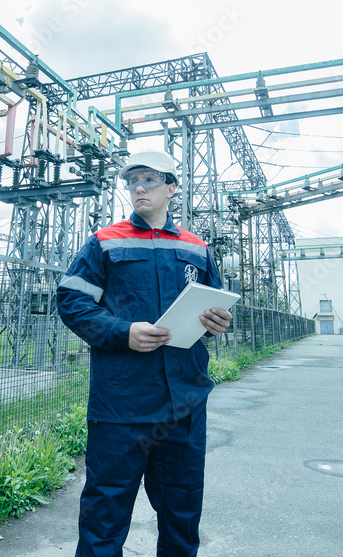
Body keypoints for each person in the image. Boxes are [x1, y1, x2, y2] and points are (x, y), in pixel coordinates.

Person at [56, 149, 233, 557]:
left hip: (183, 403)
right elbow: (71, 301)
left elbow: (217, 305)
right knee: (105, 511)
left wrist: (219, 322)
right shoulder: (104, 242)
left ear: (171, 188)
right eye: (132, 180)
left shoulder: (197, 248)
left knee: (183, 509)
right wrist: (122, 331)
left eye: (149, 179)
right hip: (122, 403)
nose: (138, 187)